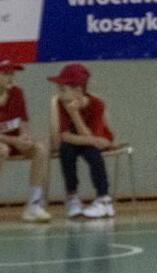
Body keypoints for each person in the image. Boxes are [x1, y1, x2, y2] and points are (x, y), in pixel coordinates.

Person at [0, 56, 50, 224]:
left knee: (40, 149)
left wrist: (25, 137)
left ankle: (33, 205)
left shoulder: (17, 93)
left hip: (13, 139)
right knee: (1, 149)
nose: (11, 77)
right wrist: (15, 141)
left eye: (12, 73)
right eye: (5, 73)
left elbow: (23, 121)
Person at [49, 62, 116, 219]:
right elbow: (64, 136)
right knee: (66, 149)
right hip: (78, 142)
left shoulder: (97, 104)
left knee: (92, 152)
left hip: (98, 142)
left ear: (78, 90)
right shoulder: (61, 104)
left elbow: (91, 138)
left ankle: (104, 199)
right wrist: (87, 139)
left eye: (63, 89)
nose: (59, 93)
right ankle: (72, 196)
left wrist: (74, 114)